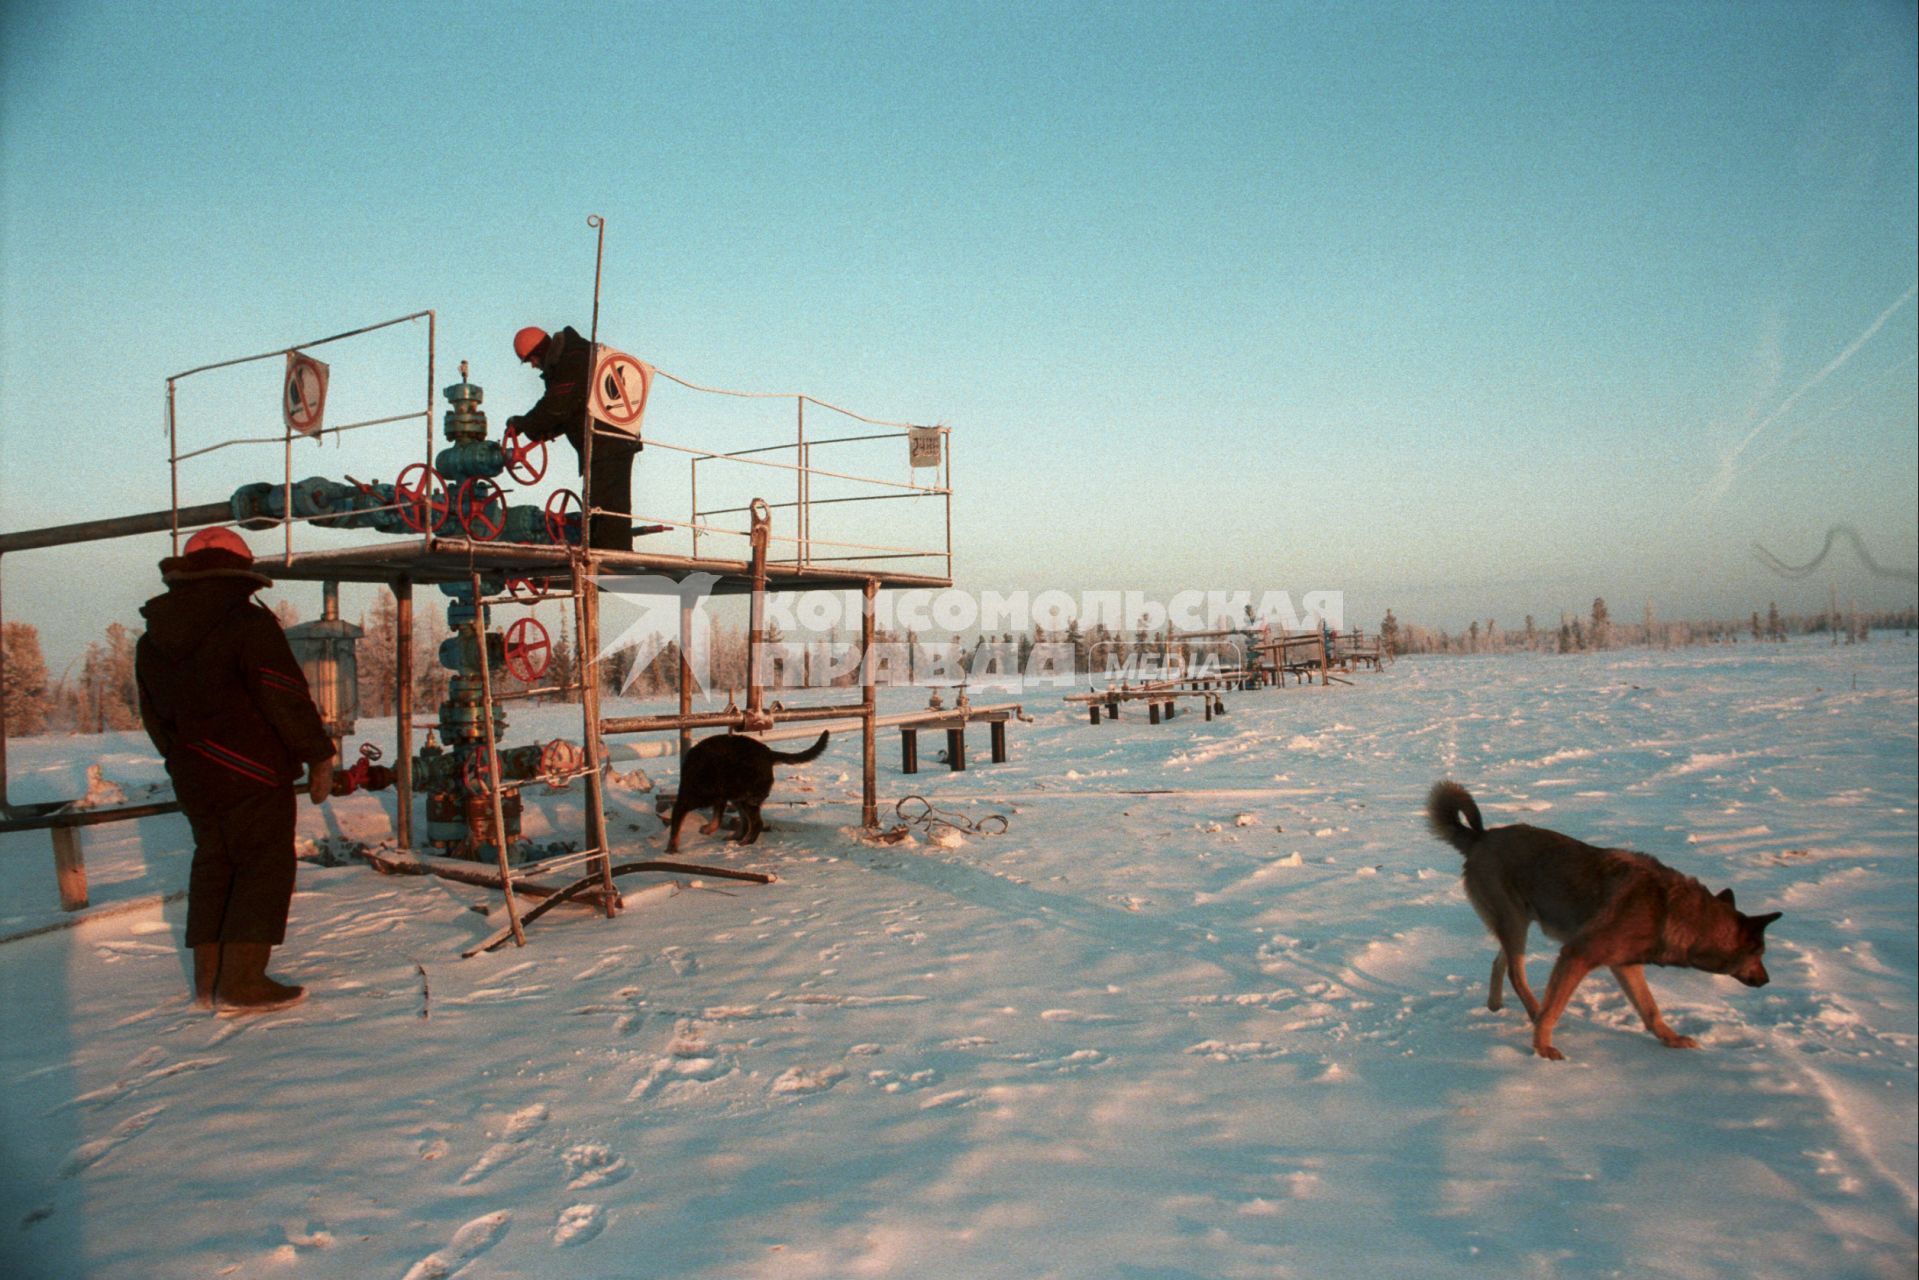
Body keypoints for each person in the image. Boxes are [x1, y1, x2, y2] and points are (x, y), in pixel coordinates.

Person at [134, 527, 336, 1012]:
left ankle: (209, 982)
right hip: (254, 771)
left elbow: (152, 715)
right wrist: (317, 753)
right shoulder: (247, 624)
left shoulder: (152, 638)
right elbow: (282, 693)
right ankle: (243, 981)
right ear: (239, 571)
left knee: (214, 864)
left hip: (194, 774)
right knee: (262, 867)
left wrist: (184, 759)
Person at [504, 324, 642, 551]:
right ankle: (608, 551)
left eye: (531, 359)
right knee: (604, 501)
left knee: (605, 503)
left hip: (606, 440)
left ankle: (610, 555)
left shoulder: (573, 359)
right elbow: (570, 411)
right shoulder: (573, 355)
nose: (533, 365)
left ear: (540, 350)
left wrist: (524, 424)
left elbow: (557, 406)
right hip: (610, 438)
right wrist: (543, 431)